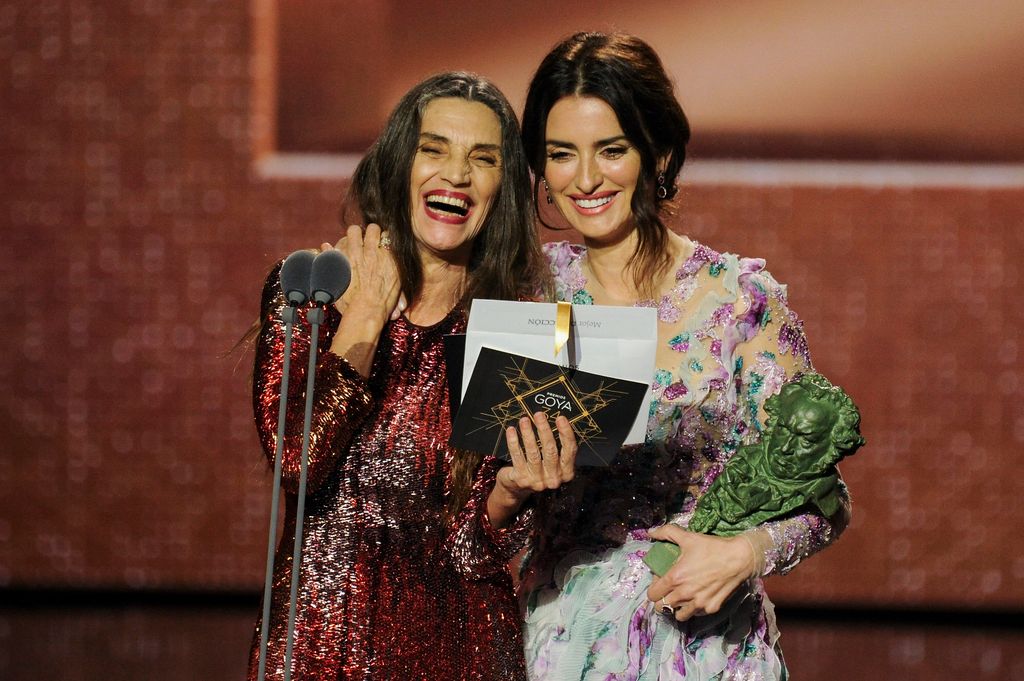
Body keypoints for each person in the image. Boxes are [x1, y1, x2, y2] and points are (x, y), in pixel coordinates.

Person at [511, 33, 854, 679]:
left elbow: (827, 495)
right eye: (561, 154)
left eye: (611, 150)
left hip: (712, 649)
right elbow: (475, 504)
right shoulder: (528, 298)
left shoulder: (740, 301)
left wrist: (747, 552)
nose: (584, 179)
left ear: (658, 151)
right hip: (562, 645)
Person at [246, 72, 576, 681]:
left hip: (461, 648)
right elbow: (296, 460)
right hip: (322, 650)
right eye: (434, 150)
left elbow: (475, 546)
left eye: (482, 159)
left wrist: (514, 492)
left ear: (502, 188)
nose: (456, 174)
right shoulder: (312, 291)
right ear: (399, 164)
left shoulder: (519, 328)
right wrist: (366, 312)